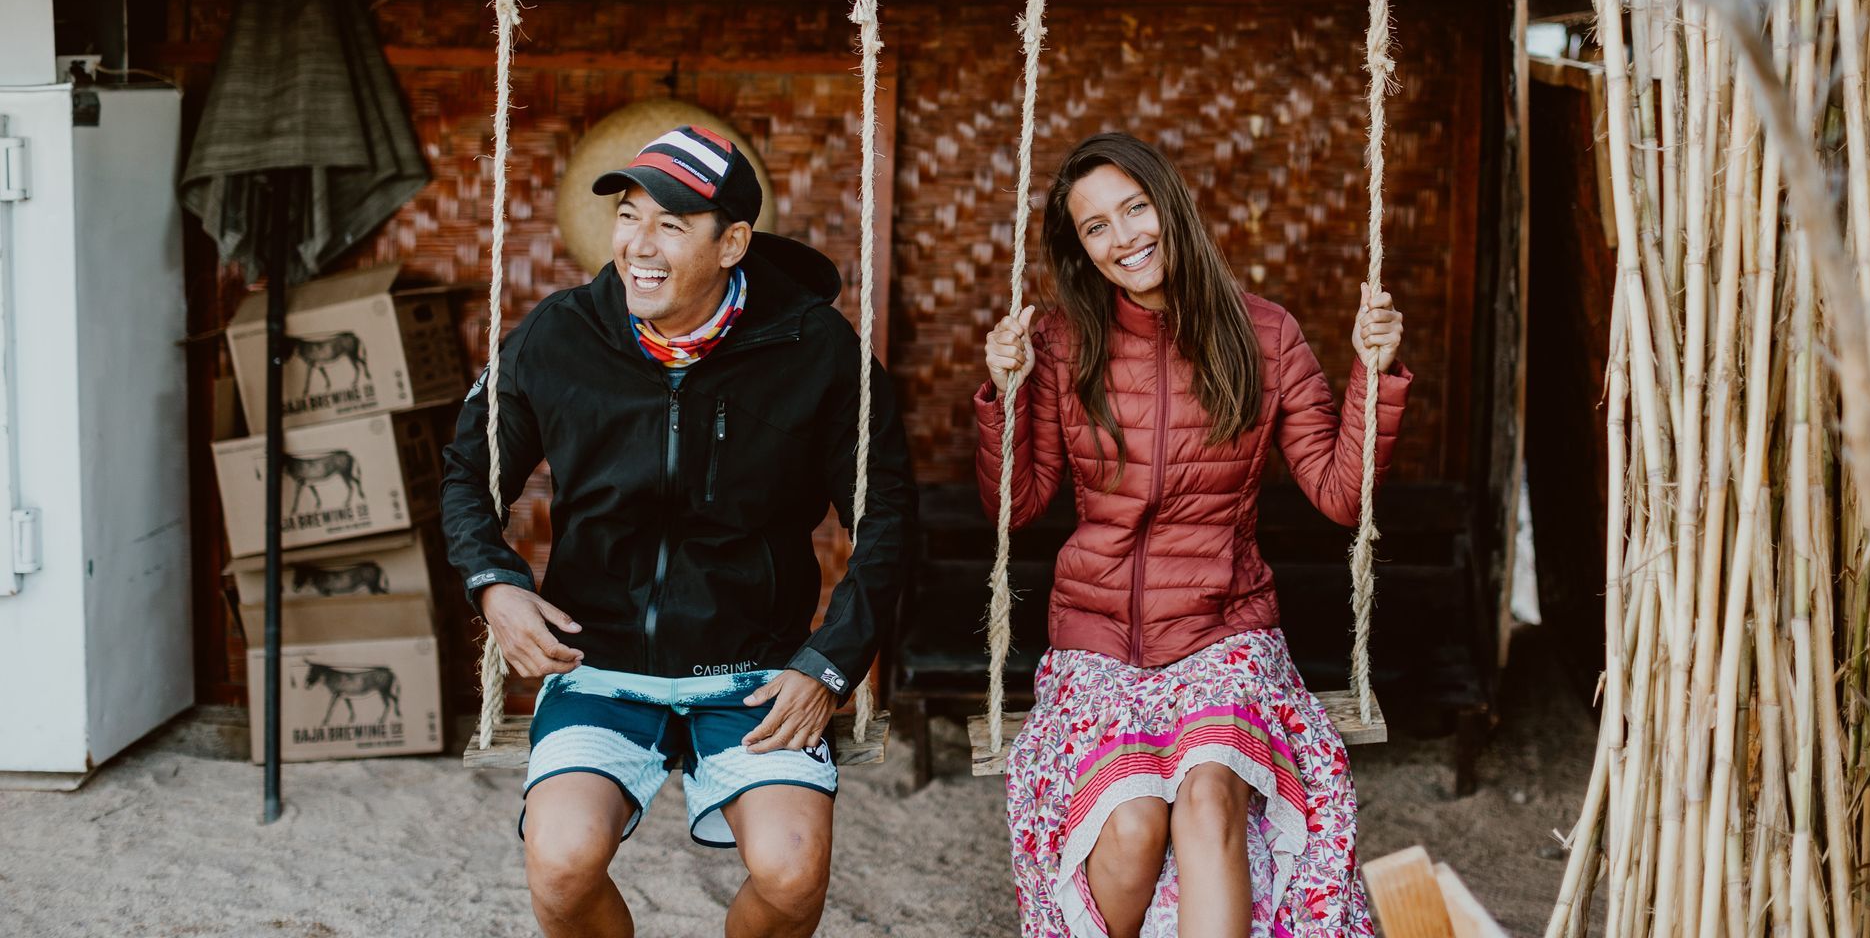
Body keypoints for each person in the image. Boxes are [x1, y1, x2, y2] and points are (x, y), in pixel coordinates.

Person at [443, 124, 915, 938]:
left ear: (732, 242)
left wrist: (831, 665)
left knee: (792, 869)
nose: (640, 244)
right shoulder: (558, 337)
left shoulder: (818, 352)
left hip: (755, 667)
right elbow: (466, 476)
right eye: (630, 216)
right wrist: (496, 587)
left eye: (671, 223)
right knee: (559, 862)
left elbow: (890, 516)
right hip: (601, 660)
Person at [975, 131, 1409, 938]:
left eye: (1135, 208)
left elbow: (1341, 493)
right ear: (1080, 248)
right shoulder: (1062, 345)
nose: (1123, 237)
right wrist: (1004, 395)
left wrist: (1371, 377)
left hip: (1223, 634)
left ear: (1171, 206)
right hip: (1096, 641)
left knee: (1210, 796)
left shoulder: (1267, 334)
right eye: (1095, 226)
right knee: (1134, 822)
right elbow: (1019, 503)